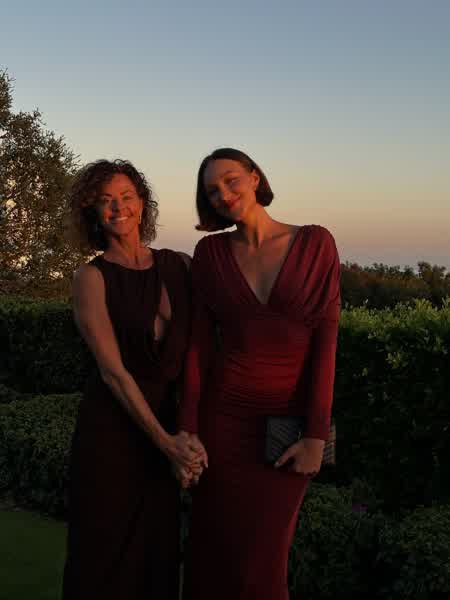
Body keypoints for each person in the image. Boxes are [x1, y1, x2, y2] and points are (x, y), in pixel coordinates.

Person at [178, 148, 341, 600]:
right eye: (212, 190)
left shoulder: (315, 242)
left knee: (264, 564)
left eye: (231, 180)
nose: (223, 194)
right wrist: (188, 428)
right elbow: (198, 347)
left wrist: (317, 436)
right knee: (213, 552)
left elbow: (327, 343)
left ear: (254, 178)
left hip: (289, 429)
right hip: (222, 422)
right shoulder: (210, 253)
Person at [63, 159, 204, 600]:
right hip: (112, 432)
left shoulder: (181, 265)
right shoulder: (91, 278)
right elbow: (112, 372)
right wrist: (168, 444)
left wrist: (187, 431)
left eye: (126, 197)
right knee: (104, 557)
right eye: (106, 200)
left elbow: (203, 352)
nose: (118, 207)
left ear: (142, 203)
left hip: (167, 426)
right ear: (92, 211)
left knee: (158, 553)